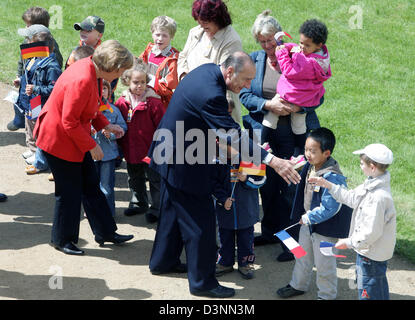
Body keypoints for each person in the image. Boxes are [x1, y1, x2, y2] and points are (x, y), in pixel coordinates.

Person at [147, 51, 301, 298]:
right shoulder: (212, 96)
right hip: (184, 163)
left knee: (172, 211)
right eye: (246, 79)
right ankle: (203, 283)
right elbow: (234, 136)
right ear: (229, 71)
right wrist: (272, 161)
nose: (248, 85)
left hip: (169, 154)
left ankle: (162, 261)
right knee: (202, 225)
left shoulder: (207, 71)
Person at [33, 40, 135, 256]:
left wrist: (105, 124)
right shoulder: (82, 78)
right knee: (69, 193)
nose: (120, 76)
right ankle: (62, 239)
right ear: (112, 67)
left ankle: (106, 232)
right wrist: (92, 145)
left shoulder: (92, 70)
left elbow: (91, 107)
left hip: (72, 137)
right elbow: (69, 121)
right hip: (59, 141)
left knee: (90, 185)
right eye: (121, 71)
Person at [239, 10, 321, 261]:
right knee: (267, 187)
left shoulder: (299, 58)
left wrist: (298, 107)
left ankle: (292, 245)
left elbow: (319, 93)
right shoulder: (253, 60)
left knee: (291, 190)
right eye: (261, 41)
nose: (266, 46)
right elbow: (243, 94)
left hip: (295, 136)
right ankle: (270, 233)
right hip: (264, 135)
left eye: (269, 41)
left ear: (279, 36)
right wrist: (267, 105)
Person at [309, 143, 396, 300]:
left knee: (369, 291)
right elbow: (350, 198)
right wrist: (327, 185)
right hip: (368, 251)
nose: (360, 166)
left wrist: (348, 242)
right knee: (375, 288)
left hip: (371, 254)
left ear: (373, 167)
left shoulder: (378, 198)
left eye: (362, 163)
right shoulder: (371, 183)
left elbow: (371, 232)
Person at [277, 127, 352, 300]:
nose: (307, 154)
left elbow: (331, 208)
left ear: (326, 153)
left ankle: (327, 295)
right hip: (308, 224)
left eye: (312, 151)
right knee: (301, 255)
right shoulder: (311, 166)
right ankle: (298, 285)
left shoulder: (333, 177)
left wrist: (309, 217)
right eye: (306, 149)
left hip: (325, 230)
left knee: (324, 264)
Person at [263, 19, 331, 152]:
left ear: (319, 44)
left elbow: (288, 71)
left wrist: (281, 53)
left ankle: (264, 142)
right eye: (301, 42)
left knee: (271, 115)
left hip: (291, 94)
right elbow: (297, 49)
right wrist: (288, 46)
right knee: (299, 124)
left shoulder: (308, 62)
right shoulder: (319, 57)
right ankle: (299, 153)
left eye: (306, 45)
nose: (302, 47)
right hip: (304, 98)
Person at [115, 59, 165, 223]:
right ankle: (139, 202)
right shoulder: (122, 102)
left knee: (155, 181)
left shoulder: (153, 103)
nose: (139, 86)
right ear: (127, 81)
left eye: (143, 82)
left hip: (151, 150)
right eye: (136, 82)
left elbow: (162, 126)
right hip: (131, 148)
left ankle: (157, 208)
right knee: (134, 178)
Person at [177, 0, 243, 123]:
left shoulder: (231, 40)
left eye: (205, 23)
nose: (201, 25)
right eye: (199, 21)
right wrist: (184, 79)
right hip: (192, 99)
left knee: (216, 141)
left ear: (218, 19)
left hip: (217, 105)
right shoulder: (195, 32)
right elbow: (182, 57)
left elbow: (225, 77)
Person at [13, 26, 61, 173]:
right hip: (32, 101)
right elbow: (30, 75)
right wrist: (21, 80)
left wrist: (36, 89)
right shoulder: (34, 60)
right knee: (30, 125)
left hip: (42, 104)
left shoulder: (52, 67)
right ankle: (34, 151)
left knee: (40, 132)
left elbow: (54, 89)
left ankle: (41, 161)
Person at [8, 6, 63, 132]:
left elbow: (55, 66)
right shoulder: (28, 41)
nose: (26, 29)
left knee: (35, 113)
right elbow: (22, 61)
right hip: (27, 82)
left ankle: (35, 142)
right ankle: (20, 121)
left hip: (38, 88)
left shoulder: (49, 46)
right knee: (20, 103)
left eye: (28, 26)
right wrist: (19, 76)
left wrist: (39, 83)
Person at [213, 161, 266, 280]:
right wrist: (223, 199)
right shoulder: (217, 161)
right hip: (225, 210)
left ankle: (245, 263)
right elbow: (212, 183)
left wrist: (246, 179)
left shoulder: (252, 159)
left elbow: (261, 180)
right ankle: (225, 263)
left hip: (246, 210)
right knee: (224, 238)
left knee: (246, 239)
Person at [92, 80, 127, 217]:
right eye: (98, 89)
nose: (102, 92)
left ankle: (108, 214)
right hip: (91, 155)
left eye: (105, 89)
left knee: (106, 187)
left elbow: (123, 128)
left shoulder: (114, 110)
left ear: (110, 91)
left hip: (108, 155)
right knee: (92, 185)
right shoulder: (89, 109)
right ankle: (93, 213)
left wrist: (112, 134)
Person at [139, 15, 179, 110]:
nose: (160, 39)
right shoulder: (149, 51)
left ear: (172, 36)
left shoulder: (173, 59)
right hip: (143, 94)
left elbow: (168, 88)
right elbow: (138, 67)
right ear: (152, 33)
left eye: (164, 35)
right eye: (157, 34)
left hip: (161, 103)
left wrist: (148, 79)